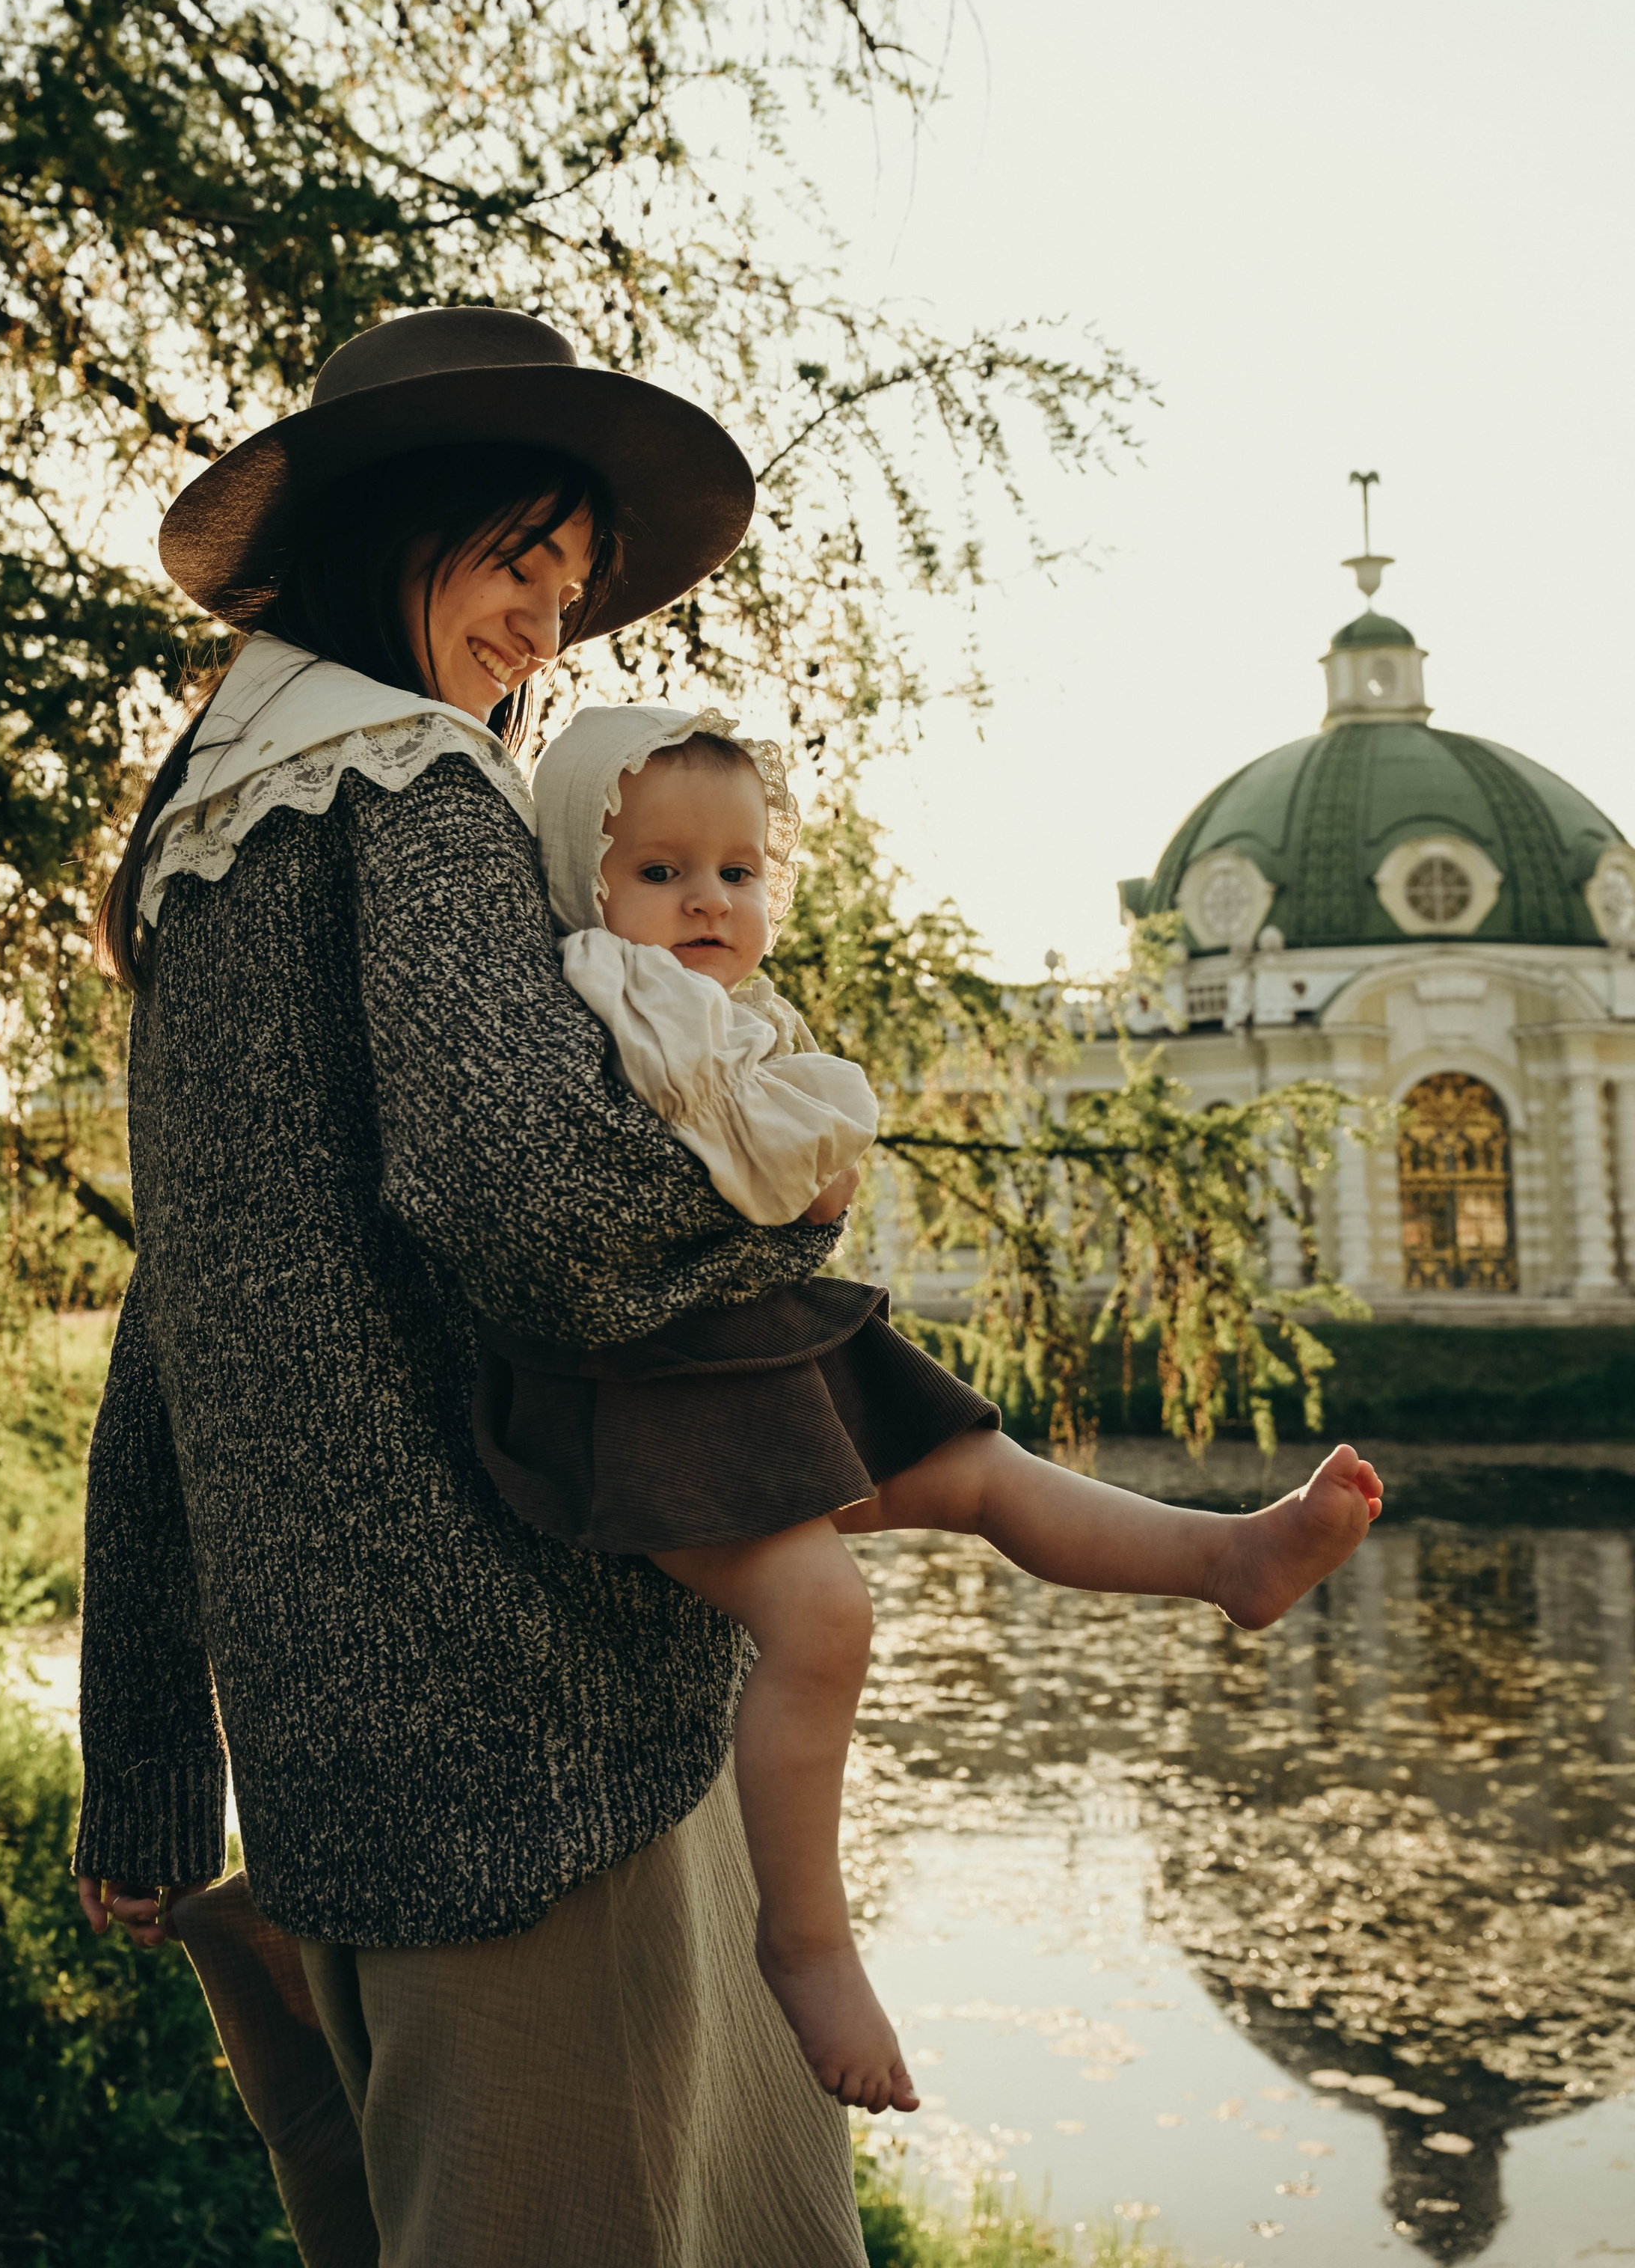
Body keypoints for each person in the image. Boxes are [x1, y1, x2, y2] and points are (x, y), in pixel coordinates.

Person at [73, 307, 872, 2268]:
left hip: (348, 1767)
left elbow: (180, 1326)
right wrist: (787, 1213)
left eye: (574, 584)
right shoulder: (414, 790)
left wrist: (154, 1759)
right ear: (398, 527)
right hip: (549, 1743)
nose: (549, 624)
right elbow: (518, 1196)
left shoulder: (197, 844)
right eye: (523, 556)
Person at [471, 702, 1387, 2118]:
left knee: (979, 1468)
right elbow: (719, 1168)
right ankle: (809, 1939)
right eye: (661, 873)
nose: (709, 899)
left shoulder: (707, 1007)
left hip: (741, 1365)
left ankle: (1225, 1557)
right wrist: (804, 1165)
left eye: (737, 870)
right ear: (583, 887)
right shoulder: (606, 994)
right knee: (824, 1613)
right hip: (645, 1406)